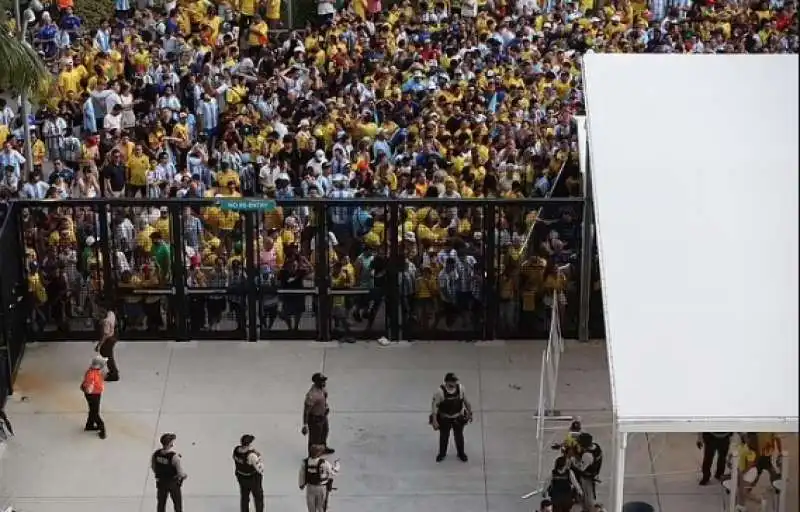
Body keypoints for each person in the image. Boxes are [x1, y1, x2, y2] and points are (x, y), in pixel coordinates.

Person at [430, 372, 473, 462]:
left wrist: (469, 413)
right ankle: (442, 454)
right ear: (447, 382)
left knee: (459, 437)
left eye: (455, 381)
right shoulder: (440, 392)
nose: (454, 383)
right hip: (445, 418)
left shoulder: (460, 388)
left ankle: (461, 453)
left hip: (458, 417)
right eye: (452, 381)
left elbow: (466, 401)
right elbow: (435, 406)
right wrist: (435, 420)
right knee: (444, 437)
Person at [151, 433, 187, 512]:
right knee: (177, 505)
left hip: (161, 482)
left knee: (161, 505)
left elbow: (154, 467)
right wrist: (184, 476)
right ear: (170, 443)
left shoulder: (156, 454)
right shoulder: (174, 457)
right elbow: (180, 473)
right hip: (172, 483)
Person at [299, 443, 340, 512]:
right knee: (321, 507)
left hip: (310, 487)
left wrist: (301, 484)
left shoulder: (305, 462)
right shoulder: (324, 463)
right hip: (321, 487)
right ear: (319, 453)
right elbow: (333, 472)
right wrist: (337, 464)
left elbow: (301, 474)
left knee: (311, 506)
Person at [302, 372, 334, 455]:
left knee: (324, 432)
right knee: (314, 439)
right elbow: (306, 410)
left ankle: (323, 448)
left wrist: (326, 406)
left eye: (324, 380)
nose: (324, 382)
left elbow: (324, 398)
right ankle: (312, 456)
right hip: (315, 419)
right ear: (316, 382)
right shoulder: (312, 395)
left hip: (323, 416)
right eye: (321, 381)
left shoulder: (323, 389)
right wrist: (305, 424)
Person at [233, 434, 264, 512]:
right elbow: (260, 469)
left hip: (241, 477)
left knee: (244, 497)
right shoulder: (251, 455)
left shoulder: (236, 450)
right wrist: (258, 457)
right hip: (252, 479)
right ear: (249, 444)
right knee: (258, 498)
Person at [572, 433, 603, 511]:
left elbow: (580, 469)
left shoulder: (587, 455)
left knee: (587, 496)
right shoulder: (596, 447)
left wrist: (572, 462)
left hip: (587, 477)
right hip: (594, 472)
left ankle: (587, 509)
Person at [80, 355, 107, 439]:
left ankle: (89, 425)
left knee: (93, 410)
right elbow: (89, 387)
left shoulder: (94, 371)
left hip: (95, 393)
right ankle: (102, 428)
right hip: (93, 395)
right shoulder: (92, 374)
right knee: (95, 412)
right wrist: (89, 388)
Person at [95, 304, 120, 381]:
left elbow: (104, 336)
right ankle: (113, 371)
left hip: (109, 338)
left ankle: (114, 374)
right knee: (106, 353)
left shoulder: (106, 322)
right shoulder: (111, 313)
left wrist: (99, 345)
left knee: (108, 356)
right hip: (114, 334)